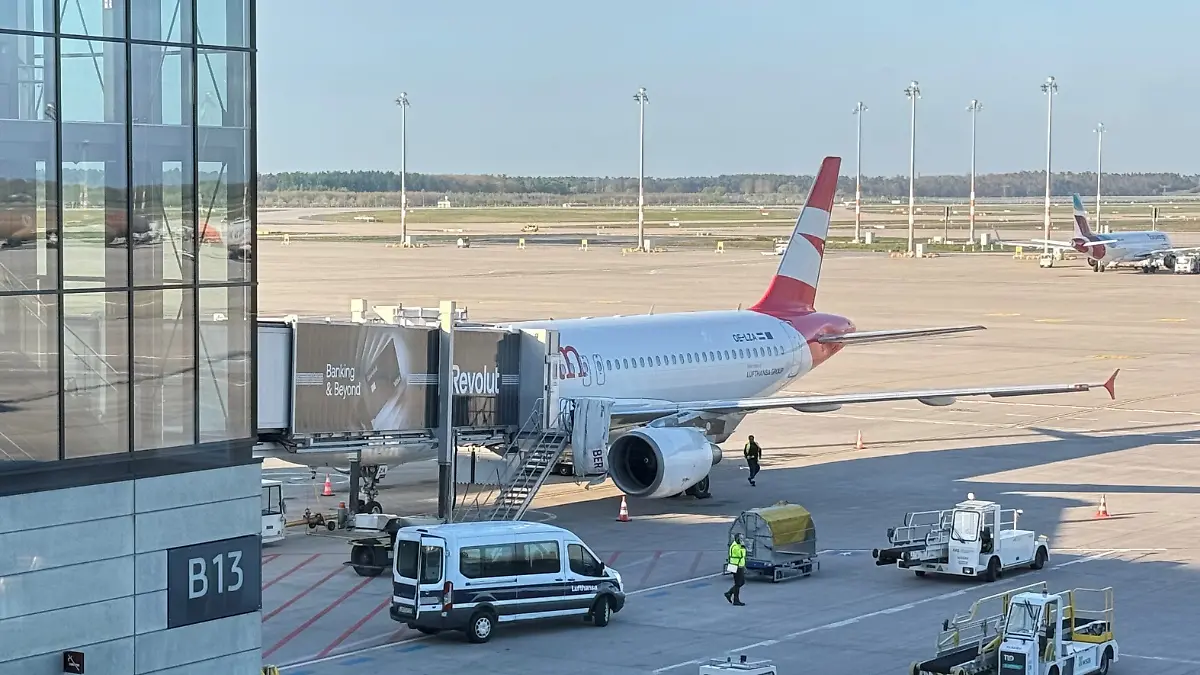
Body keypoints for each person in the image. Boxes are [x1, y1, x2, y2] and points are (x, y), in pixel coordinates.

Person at [724, 533, 747, 605]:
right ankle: (736, 600)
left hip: (738, 565)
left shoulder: (737, 545)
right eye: (740, 539)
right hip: (735, 566)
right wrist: (743, 547)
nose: (742, 540)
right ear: (737, 539)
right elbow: (742, 554)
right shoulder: (735, 546)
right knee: (738, 583)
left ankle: (729, 593)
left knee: (741, 582)